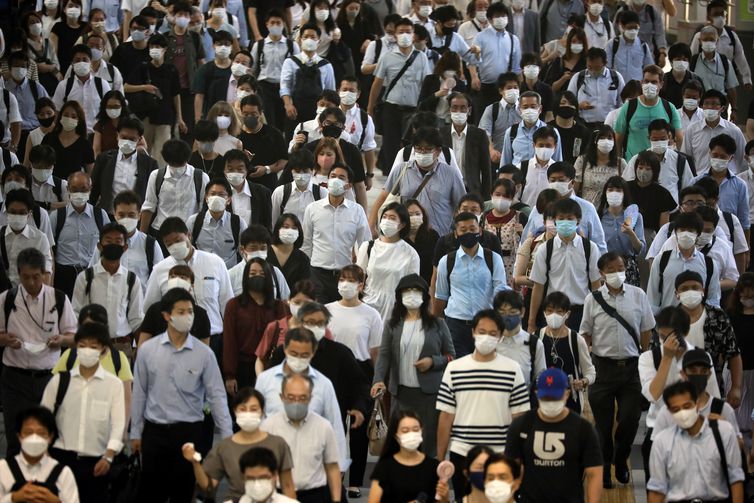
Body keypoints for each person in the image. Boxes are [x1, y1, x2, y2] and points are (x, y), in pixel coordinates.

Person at [131, 287, 233, 502]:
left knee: (184, 493)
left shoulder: (204, 354)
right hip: (154, 431)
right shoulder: (148, 350)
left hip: (189, 433)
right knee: (149, 493)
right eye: (181, 311)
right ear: (167, 315)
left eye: (190, 311)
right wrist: (135, 432)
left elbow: (216, 396)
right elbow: (139, 392)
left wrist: (226, 435)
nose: (187, 316)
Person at [437, 309, 530, 498]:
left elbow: (519, 418)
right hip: (462, 452)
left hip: (501, 454)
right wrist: (440, 459)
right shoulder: (454, 368)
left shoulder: (513, 370)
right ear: (473, 332)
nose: (486, 337)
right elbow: (446, 416)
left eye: (492, 333)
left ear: (501, 336)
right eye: (481, 332)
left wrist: (518, 458)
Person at [581, 252, 654, 487]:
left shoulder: (638, 295)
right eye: (611, 269)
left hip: (631, 368)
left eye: (620, 267)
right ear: (601, 273)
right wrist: (586, 365)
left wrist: (645, 356)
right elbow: (586, 334)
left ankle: (620, 459)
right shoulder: (592, 299)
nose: (616, 273)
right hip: (602, 367)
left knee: (631, 419)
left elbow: (646, 328)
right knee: (602, 425)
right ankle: (603, 465)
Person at [0, 248, 75, 455]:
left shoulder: (58, 299)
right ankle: (16, 483)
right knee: (16, 436)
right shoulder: (6, 299)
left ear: (44, 273)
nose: (31, 283)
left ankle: (46, 482)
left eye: (36, 277)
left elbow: (74, 337)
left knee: (49, 434)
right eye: (26, 277)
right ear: (18, 274)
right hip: (15, 378)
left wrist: (61, 339)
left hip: (49, 378)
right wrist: (5, 340)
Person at [41, 322, 125, 503]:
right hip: (60, 458)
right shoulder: (59, 381)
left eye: (93, 347)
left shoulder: (113, 385)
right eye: (82, 346)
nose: (87, 351)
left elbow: (118, 424)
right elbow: (42, 421)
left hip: (96, 462)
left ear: (103, 351)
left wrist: (109, 457)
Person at [371, 273, 453, 458]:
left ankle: (428, 482)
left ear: (424, 295)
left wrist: (433, 362)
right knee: (400, 445)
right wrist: (378, 380)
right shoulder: (392, 325)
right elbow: (384, 356)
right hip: (400, 394)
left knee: (428, 445)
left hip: (429, 396)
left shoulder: (438, 324)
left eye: (416, 291)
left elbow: (451, 356)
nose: (411, 294)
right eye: (407, 291)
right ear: (399, 296)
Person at [638, 306, 722, 477]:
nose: (666, 341)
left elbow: (714, 400)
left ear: (684, 332)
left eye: (671, 336)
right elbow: (653, 395)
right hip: (658, 433)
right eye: (662, 336)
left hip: (694, 434)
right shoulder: (648, 358)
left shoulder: (701, 358)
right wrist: (667, 358)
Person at [505, 368, 603, 503]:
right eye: (546, 397)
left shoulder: (583, 429)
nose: (550, 401)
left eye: (555, 397)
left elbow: (594, 473)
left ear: (567, 394)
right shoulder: (520, 426)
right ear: (537, 394)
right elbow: (509, 471)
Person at [182, 387, 296, 500]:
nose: (248, 413)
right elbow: (208, 486)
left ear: (262, 412)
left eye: (253, 409)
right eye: (243, 409)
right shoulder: (224, 447)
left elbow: (287, 485)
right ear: (235, 411)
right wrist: (195, 463)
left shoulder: (277, 444)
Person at [648, 381, 744, 502]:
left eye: (687, 406)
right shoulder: (662, 442)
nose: (682, 413)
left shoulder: (723, 432)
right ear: (670, 412)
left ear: (697, 404)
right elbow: (657, 489)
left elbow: (736, 479)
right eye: (676, 409)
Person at [261, 372, 343, 503]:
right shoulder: (268, 427)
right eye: (291, 398)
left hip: (314, 495)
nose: (296, 403)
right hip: (278, 495)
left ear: (310, 398)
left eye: (302, 398)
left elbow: (332, 467)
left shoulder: (323, 427)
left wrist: (336, 500)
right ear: (281, 397)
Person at [434, 211, 508, 356]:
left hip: (486, 324)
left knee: (485, 367)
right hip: (456, 325)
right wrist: (437, 326)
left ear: (479, 231)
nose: (468, 232)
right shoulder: (446, 261)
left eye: (472, 229)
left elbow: (501, 291)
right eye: (463, 230)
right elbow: (441, 296)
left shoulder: (493, 258)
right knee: (459, 370)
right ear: (456, 234)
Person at [372, 127, 466, 236]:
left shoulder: (451, 174)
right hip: (408, 237)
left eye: (427, 149)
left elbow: (462, 206)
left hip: (440, 237)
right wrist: (371, 225)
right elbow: (383, 197)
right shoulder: (402, 170)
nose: (422, 152)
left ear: (438, 151)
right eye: (418, 148)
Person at [527, 197, 602, 332]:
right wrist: (531, 322)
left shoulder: (590, 248)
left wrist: (597, 319)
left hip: (581, 313)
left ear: (578, 221)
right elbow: (538, 287)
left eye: (570, 218)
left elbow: (596, 285)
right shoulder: (545, 249)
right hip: (552, 312)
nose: (565, 222)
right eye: (561, 218)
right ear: (555, 220)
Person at [367, 18, 430, 174]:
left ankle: (411, 174)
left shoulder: (421, 57)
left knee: (414, 144)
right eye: (401, 32)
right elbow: (377, 84)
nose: (405, 35)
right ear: (394, 35)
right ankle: (390, 176)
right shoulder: (387, 57)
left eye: (408, 32)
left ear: (414, 34)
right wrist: (369, 108)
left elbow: (426, 84)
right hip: (391, 107)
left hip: (414, 109)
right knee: (390, 144)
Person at [302, 164, 370, 303]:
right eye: (333, 176)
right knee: (319, 317)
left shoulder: (357, 211)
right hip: (317, 273)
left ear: (348, 185)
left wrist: (361, 273)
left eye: (341, 177)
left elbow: (365, 243)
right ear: (327, 182)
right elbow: (306, 242)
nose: (336, 180)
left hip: (345, 275)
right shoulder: (313, 209)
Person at [674, 270, 742, 403]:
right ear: (677, 294)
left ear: (703, 290)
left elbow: (733, 353)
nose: (690, 291)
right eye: (684, 289)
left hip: (711, 389)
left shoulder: (717, 317)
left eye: (695, 287)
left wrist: (736, 387)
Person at [224, 258, 288, 392]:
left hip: (271, 367)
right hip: (242, 368)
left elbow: (283, 340)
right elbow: (229, 341)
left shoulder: (279, 306)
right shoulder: (234, 305)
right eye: (252, 273)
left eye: (261, 273)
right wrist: (229, 375)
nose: (257, 276)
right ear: (246, 277)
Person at [651, 348, 742, 442]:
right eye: (693, 371)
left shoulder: (723, 410)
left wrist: (726, 430)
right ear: (683, 374)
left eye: (703, 371)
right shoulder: (668, 412)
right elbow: (658, 450)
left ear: (709, 374)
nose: (698, 375)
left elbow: (738, 450)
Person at [124, 33, 184, 167]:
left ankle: (159, 179)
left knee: (162, 153)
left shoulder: (171, 69)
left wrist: (179, 117)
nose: (154, 49)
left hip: (165, 117)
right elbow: (126, 87)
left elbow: (176, 95)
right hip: (145, 116)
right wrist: (145, 87)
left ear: (164, 49)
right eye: (152, 46)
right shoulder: (143, 67)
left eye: (157, 46)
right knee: (143, 150)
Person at [89, 190, 163, 294]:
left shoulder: (150, 245)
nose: (126, 219)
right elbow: (91, 275)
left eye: (131, 215)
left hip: (141, 305)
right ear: (115, 215)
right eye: (121, 215)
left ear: (139, 215)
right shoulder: (104, 244)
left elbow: (161, 279)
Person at [0, 406, 79, 502]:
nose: (34, 438)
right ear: (19, 436)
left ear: (50, 437)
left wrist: (55, 501)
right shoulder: (3, 468)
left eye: (41, 433)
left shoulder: (63, 473)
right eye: (28, 432)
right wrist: (14, 497)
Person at [368, 410, 450, 503]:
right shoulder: (385, 467)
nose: (411, 434)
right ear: (396, 436)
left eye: (415, 429)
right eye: (405, 431)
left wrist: (444, 499)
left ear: (421, 431)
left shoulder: (433, 466)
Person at [647, 212, 721, 312]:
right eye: (682, 230)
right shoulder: (661, 261)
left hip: (699, 323)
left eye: (691, 230)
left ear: (698, 234)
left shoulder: (710, 265)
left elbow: (713, 299)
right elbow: (652, 299)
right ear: (676, 232)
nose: (686, 234)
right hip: (669, 323)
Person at [357, 203, 420, 320]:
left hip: (395, 309)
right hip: (367, 304)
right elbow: (358, 278)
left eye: (392, 218)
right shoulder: (368, 247)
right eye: (385, 217)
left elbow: (412, 287)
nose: (387, 220)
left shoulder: (411, 254)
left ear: (402, 225)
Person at [140, 139, 210, 238]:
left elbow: (203, 209)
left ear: (187, 159)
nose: (177, 168)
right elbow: (148, 207)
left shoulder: (201, 177)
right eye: (173, 164)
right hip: (160, 232)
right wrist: (142, 236)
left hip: (189, 233)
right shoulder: (156, 176)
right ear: (166, 160)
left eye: (180, 164)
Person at [90, 117, 158, 216]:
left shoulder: (150, 164)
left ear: (139, 139)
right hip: (107, 216)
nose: (127, 142)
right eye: (124, 137)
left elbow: (153, 198)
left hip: (135, 219)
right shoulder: (104, 159)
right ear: (117, 136)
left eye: (132, 139)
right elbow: (93, 191)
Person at [614, 64, 682, 162]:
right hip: (634, 164)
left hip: (661, 164)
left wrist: (674, 160)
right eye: (646, 81)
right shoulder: (629, 107)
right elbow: (619, 137)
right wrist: (619, 161)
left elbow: (679, 138)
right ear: (642, 82)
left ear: (661, 84)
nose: (649, 85)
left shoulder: (669, 108)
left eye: (654, 82)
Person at [690, 134, 751, 242]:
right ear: (709, 153)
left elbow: (744, 221)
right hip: (699, 238)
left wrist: (745, 248)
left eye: (723, 157)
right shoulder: (695, 182)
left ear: (731, 158)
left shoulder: (740, 185)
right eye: (715, 155)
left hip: (728, 239)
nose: (718, 159)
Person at [623, 118, 694, 205]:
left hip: (672, 213)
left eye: (663, 139)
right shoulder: (637, 160)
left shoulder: (680, 160)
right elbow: (627, 186)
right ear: (649, 138)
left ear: (669, 137)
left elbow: (688, 188)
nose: (659, 142)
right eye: (655, 139)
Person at [136, 265, 212, 346]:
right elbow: (143, 343)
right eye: (173, 277)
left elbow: (205, 347)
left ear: (192, 285)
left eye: (182, 278)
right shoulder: (155, 310)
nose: (177, 280)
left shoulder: (201, 314)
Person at [186, 178, 248, 268]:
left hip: (229, 274)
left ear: (229, 200)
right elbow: (187, 249)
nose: (216, 197)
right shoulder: (193, 221)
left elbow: (244, 252)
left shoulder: (238, 223)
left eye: (221, 195)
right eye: (213, 194)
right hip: (200, 272)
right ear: (206, 198)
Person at [681, 89, 747, 172]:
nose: (709, 107)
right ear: (701, 107)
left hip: (726, 181)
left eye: (714, 104)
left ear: (722, 109)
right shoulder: (692, 130)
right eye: (706, 103)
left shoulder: (734, 131)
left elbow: (743, 160)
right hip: (700, 181)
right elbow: (686, 158)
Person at [493, 290, 546, 392]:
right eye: (502, 313)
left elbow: (541, 378)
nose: (507, 316)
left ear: (522, 312)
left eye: (512, 312)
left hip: (525, 402)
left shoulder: (534, 344)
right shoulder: (490, 342)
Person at [52, 44, 111, 134]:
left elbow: (109, 111)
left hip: (96, 135)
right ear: (72, 64)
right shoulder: (64, 86)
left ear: (90, 62)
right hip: (71, 134)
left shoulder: (102, 85)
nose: (81, 62)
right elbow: (57, 112)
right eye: (77, 60)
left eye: (85, 60)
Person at [440, 92, 491, 197]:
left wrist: (486, 197)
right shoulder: (440, 134)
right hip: (445, 190)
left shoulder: (479, 135)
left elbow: (486, 169)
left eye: (463, 108)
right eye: (454, 107)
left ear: (469, 110)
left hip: (471, 190)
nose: (458, 111)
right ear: (449, 110)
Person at [597, 176, 645, 284]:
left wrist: (631, 234)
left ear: (624, 194)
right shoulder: (598, 216)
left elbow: (640, 249)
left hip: (627, 267)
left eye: (618, 190)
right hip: (605, 266)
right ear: (605, 192)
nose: (614, 193)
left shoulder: (635, 217)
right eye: (610, 190)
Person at [237, 94, 289, 193]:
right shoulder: (236, 135)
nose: (249, 117)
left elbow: (283, 160)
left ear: (260, 113)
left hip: (268, 186)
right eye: (245, 113)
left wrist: (267, 169)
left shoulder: (273, 134)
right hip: (241, 186)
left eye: (253, 114)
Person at [1, 189, 53, 286]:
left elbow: (46, 272)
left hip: (29, 294)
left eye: (22, 213)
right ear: (6, 212)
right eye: (13, 212)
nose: (17, 216)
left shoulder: (40, 238)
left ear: (29, 214)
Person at [567, 48, 624, 128]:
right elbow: (568, 103)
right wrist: (578, 106)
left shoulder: (616, 77)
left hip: (610, 126)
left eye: (597, 68)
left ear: (605, 63)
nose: (593, 71)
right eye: (590, 67)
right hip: (584, 126)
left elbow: (622, 103)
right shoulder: (578, 78)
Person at [501, 92, 563, 166]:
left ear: (540, 109)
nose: (529, 110)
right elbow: (505, 162)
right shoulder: (511, 132)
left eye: (533, 107)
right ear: (519, 109)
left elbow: (558, 162)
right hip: (518, 176)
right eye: (525, 107)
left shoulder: (552, 132)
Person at [624, 150, 676, 237]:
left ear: (655, 171)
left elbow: (663, 227)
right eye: (640, 167)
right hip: (626, 232)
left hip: (649, 235)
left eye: (648, 169)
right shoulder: (625, 187)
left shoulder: (662, 193)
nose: (643, 171)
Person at [484, 179, 527, 283]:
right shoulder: (482, 218)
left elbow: (528, 244)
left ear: (512, 198)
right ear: (491, 194)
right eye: (498, 194)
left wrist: (522, 233)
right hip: (487, 266)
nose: (501, 198)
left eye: (506, 196)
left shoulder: (520, 217)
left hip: (513, 269)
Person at [229, 225, 291, 298]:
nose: (258, 252)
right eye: (253, 248)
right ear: (242, 249)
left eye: (263, 248)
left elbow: (285, 301)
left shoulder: (275, 273)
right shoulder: (231, 275)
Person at [41, 100, 95, 178]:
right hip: (50, 186)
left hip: (73, 187)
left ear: (79, 120)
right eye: (66, 115)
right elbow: (40, 164)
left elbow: (90, 174)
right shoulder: (49, 139)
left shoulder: (85, 144)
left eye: (74, 116)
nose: (69, 119)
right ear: (60, 117)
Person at [574, 126, 625, 206]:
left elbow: (626, 190)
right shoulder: (582, 161)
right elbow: (574, 189)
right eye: (602, 137)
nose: (606, 141)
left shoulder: (621, 163)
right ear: (595, 140)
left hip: (610, 211)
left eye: (609, 138)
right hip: (587, 208)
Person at [478, 73, 521, 167]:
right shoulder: (492, 109)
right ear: (501, 91)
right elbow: (484, 132)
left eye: (516, 87)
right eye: (509, 88)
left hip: (521, 159)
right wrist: (491, 150)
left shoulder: (524, 109)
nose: (513, 90)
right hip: (499, 158)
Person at [192, 29, 234, 119]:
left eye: (227, 44)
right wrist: (197, 120)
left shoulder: (236, 69)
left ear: (231, 47)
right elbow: (199, 96)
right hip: (210, 115)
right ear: (213, 45)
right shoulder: (204, 69)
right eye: (219, 44)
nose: (223, 47)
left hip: (232, 115)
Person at [417, 51, 467, 125]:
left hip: (450, 123)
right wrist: (436, 95)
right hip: (431, 122)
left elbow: (464, 109)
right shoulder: (430, 80)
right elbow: (421, 105)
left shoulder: (460, 84)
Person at [606, 10, 653, 83]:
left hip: (637, 88)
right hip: (617, 87)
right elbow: (606, 68)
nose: (633, 31)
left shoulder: (643, 46)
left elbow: (650, 68)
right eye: (630, 28)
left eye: (635, 28)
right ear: (622, 26)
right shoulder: (612, 44)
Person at [268, 213, 311, 288]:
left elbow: (304, 288)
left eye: (294, 228)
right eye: (285, 227)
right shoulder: (265, 253)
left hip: (293, 299)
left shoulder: (303, 259)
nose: (290, 231)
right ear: (278, 229)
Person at [547, 91, 590, 165]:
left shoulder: (583, 132)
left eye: (571, 104)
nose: (567, 106)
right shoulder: (547, 129)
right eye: (563, 103)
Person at [542, 28, 587, 95]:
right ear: (569, 42)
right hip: (561, 101)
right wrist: (564, 78)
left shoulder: (587, 63)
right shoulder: (559, 62)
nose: (577, 44)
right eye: (574, 41)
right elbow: (552, 88)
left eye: (580, 42)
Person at [405, 199, 440, 285]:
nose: (414, 218)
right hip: (405, 284)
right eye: (410, 215)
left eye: (417, 214)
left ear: (423, 216)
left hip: (428, 284)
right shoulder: (399, 237)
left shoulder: (432, 235)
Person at [660, 43, 704, 109]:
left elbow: (702, 102)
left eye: (684, 60)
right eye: (678, 59)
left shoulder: (696, 79)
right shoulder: (663, 80)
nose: (681, 62)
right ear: (671, 61)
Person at [91, 91, 132, 157]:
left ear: (122, 106)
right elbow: (96, 149)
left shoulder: (130, 123)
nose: (113, 109)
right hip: (106, 163)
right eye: (109, 106)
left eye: (116, 106)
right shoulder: (101, 125)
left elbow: (142, 145)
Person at [519, 54, 555, 123]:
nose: (531, 68)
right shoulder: (518, 89)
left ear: (540, 69)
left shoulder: (547, 89)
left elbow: (549, 114)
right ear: (523, 69)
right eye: (528, 65)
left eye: (534, 65)